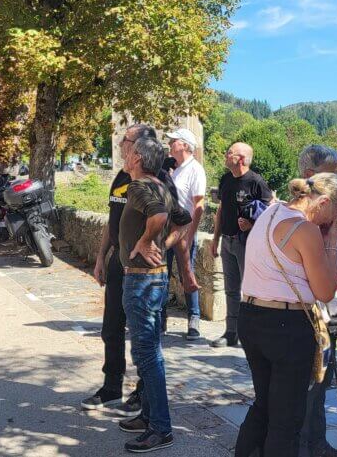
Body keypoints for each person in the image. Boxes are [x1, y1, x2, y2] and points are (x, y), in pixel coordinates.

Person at [81, 124, 196, 417]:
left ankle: (144, 395)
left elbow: (177, 220)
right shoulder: (123, 178)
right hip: (120, 263)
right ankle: (111, 387)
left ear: (139, 147)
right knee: (111, 327)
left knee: (146, 335)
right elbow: (112, 221)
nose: (121, 144)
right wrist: (100, 257)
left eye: (127, 140)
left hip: (147, 271)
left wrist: (167, 253)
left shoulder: (156, 179)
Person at [235, 173, 337, 457]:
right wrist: (332, 240)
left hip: (251, 316)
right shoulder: (304, 230)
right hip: (286, 327)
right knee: (287, 419)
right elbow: (324, 291)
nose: (332, 220)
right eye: (336, 213)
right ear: (323, 202)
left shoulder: (271, 211)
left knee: (263, 405)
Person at [116, 136, 192, 453]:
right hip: (153, 281)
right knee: (149, 353)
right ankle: (148, 416)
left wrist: (148, 242)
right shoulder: (158, 184)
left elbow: (160, 216)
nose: (122, 151)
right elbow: (184, 221)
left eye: (126, 149)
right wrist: (163, 245)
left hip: (142, 282)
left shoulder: (139, 187)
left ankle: (161, 429)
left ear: (136, 157)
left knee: (148, 356)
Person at [294, 145, 337, 457]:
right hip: (310, 312)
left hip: (326, 312)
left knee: (321, 382)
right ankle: (304, 447)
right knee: (309, 385)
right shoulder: (304, 217)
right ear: (309, 175)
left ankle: (317, 444)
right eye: (332, 173)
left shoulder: (327, 210)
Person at [210, 142, 272, 348]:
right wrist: (215, 239)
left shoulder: (256, 182)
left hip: (248, 244)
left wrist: (252, 224)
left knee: (251, 291)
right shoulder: (226, 179)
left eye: (230, 153)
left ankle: (251, 335)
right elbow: (220, 211)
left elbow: (270, 214)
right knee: (231, 290)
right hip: (227, 241)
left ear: (241, 159)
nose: (225, 156)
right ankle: (231, 333)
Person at [166, 128, 207, 340]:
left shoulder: (195, 170)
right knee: (162, 273)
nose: (169, 143)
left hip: (184, 231)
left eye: (173, 140)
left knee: (186, 273)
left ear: (185, 145)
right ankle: (160, 318)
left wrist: (190, 234)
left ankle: (194, 319)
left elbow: (198, 204)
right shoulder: (175, 167)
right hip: (167, 229)